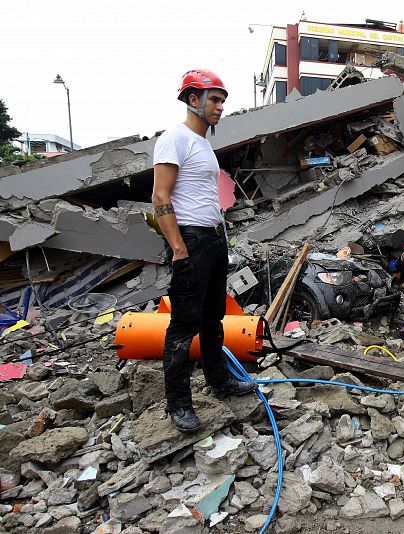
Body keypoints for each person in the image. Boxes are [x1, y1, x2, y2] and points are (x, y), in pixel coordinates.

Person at [152, 69, 256, 433]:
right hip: (191, 241)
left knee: (214, 318)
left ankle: (219, 381)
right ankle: (178, 404)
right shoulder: (174, 139)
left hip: (213, 240)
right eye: (214, 99)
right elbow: (160, 197)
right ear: (192, 99)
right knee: (184, 323)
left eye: (223, 100)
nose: (220, 107)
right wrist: (178, 248)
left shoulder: (204, 145)